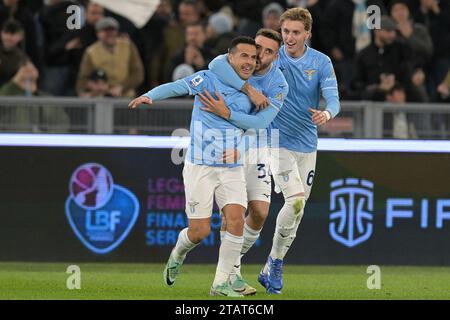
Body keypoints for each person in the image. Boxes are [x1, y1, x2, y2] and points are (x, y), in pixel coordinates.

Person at [208, 7, 340, 294]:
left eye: (295, 32)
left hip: (307, 144)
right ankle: (255, 266)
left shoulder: (321, 62)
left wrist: (327, 114)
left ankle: (268, 264)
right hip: (273, 141)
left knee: (298, 208)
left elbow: (333, 99)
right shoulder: (270, 56)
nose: (289, 37)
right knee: (294, 200)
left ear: (307, 34)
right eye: (286, 32)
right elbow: (218, 65)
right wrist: (248, 89)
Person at [128, 36, 258, 297]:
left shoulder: (253, 92)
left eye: (253, 58)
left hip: (231, 166)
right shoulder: (208, 78)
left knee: (235, 221)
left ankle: (220, 285)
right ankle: (178, 252)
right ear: (230, 57)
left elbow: (256, 129)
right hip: (200, 166)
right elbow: (178, 86)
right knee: (199, 232)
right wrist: (149, 95)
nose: (249, 62)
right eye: (244, 56)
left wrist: (240, 149)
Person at [199, 28, 289, 296]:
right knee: (232, 213)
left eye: (269, 51)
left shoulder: (278, 84)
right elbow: (214, 64)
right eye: (258, 47)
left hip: (257, 148)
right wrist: (248, 89)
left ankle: (230, 271)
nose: (259, 55)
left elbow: (262, 122)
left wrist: (227, 112)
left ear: (276, 56)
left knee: (260, 212)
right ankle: (230, 276)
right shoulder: (232, 63)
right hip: (228, 146)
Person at [76, 17, 144, 98]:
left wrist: (122, 87)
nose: (110, 34)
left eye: (112, 30)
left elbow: (138, 74)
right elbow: (82, 79)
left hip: (126, 98)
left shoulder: (128, 46)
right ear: (98, 33)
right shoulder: (91, 52)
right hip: (102, 98)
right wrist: (92, 86)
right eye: (105, 31)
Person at [0, 19, 26, 87]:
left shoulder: (22, 58)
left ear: (21, 36)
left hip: (11, 93)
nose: (8, 37)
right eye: (6, 33)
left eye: (13, 34)